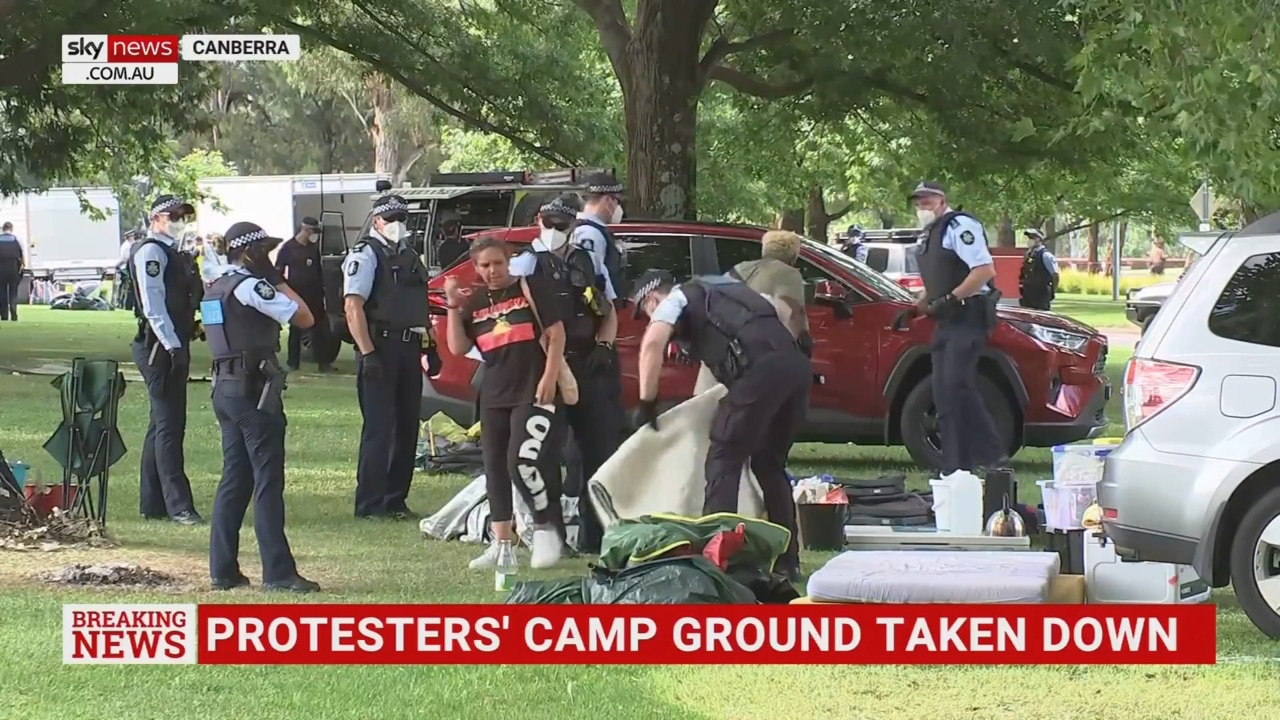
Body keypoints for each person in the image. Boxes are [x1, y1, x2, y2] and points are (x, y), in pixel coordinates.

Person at [631, 269, 810, 581]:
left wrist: (647, 401)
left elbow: (651, 344)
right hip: (795, 368)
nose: (651, 317)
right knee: (769, 464)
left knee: (723, 459)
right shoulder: (725, 288)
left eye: (647, 310)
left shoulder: (676, 297)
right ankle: (788, 561)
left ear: (651, 298)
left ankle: (716, 562)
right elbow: (783, 310)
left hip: (760, 372)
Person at [203, 222, 319, 593]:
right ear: (251, 253)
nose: (269, 258)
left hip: (225, 388)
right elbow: (304, 317)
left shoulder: (214, 289)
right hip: (254, 391)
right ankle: (278, 571)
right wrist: (278, 281)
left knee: (234, 479)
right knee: (267, 480)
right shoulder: (252, 287)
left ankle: (223, 569)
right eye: (264, 252)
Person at [444, 236, 568, 569]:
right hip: (494, 392)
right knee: (495, 466)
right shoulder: (475, 302)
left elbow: (556, 334)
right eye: (484, 265)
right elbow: (457, 347)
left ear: (508, 260)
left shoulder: (529, 288)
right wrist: (453, 306)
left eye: (498, 263)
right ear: (475, 267)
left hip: (531, 389)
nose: (492, 270)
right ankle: (502, 544)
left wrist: (549, 376)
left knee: (521, 463)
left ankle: (546, 532)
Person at [510, 194, 620, 553]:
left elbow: (608, 309)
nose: (555, 231)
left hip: (588, 363)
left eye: (563, 225)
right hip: (546, 366)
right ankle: (551, 536)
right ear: (540, 219)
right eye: (550, 223)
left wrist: (604, 346)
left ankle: (596, 537)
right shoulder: (524, 263)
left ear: (572, 225)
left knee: (598, 453)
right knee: (545, 455)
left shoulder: (587, 261)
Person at [894, 181, 1005, 475]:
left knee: (956, 384)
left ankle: (991, 453)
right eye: (918, 203)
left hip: (967, 316)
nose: (922, 208)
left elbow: (984, 271)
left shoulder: (959, 226)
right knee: (944, 392)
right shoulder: (930, 234)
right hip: (947, 320)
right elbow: (937, 283)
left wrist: (951, 298)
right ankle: (956, 466)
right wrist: (913, 308)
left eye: (927, 202)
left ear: (942, 201)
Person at [343, 194, 430, 520]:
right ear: (376, 220)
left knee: (407, 426)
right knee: (380, 428)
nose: (397, 224)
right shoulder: (365, 255)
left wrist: (430, 345)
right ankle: (369, 503)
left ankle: (395, 499)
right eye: (390, 218)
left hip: (409, 346)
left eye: (401, 218)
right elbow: (353, 306)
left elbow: (417, 304)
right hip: (379, 347)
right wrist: (368, 353)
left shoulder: (408, 255)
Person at [130, 195, 203, 525]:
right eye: (172, 215)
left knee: (160, 425)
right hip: (159, 346)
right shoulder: (152, 252)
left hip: (173, 342)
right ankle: (179, 506)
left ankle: (153, 503)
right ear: (156, 218)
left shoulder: (176, 253)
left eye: (183, 216)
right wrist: (173, 346)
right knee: (170, 426)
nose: (178, 220)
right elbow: (153, 305)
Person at [275, 217, 332, 372]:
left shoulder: (313, 248)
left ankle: (323, 363)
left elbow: (318, 272)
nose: (316, 236)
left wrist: (323, 292)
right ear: (306, 230)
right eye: (313, 232)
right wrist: (285, 291)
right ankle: (293, 362)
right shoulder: (288, 247)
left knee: (319, 330)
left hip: (314, 294)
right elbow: (278, 272)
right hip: (297, 294)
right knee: (295, 330)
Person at [572, 173, 627, 303]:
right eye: (617, 201)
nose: (618, 208)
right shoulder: (590, 233)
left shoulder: (584, 230)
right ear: (608, 200)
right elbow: (592, 280)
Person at [1018, 228, 1058, 311]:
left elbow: (1055, 275)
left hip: (1041, 295)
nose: (1030, 240)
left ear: (1040, 239)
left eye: (1033, 237)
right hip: (1028, 295)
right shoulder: (1028, 255)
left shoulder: (1046, 255)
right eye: (1029, 238)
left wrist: (1052, 291)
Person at [0, 222, 24, 321]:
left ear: (3, 229)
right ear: (11, 229)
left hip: (1, 270)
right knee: (13, 292)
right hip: (13, 269)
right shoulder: (16, 239)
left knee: (2, 293)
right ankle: (14, 313)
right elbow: (22, 256)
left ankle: (4, 315)